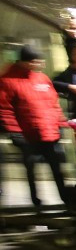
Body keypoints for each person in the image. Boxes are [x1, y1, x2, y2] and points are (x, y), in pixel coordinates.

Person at [0, 46, 70, 210]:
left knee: (57, 168)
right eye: (36, 61)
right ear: (25, 62)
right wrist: (15, 132)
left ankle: (66, 200)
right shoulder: (8, 81)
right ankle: (36, 201)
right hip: (28, 135)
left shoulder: (42, 79)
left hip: (49, 133)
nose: (41, 64)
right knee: (31, 169)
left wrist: (59, 124)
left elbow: (54, 104)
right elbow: (4, 109)